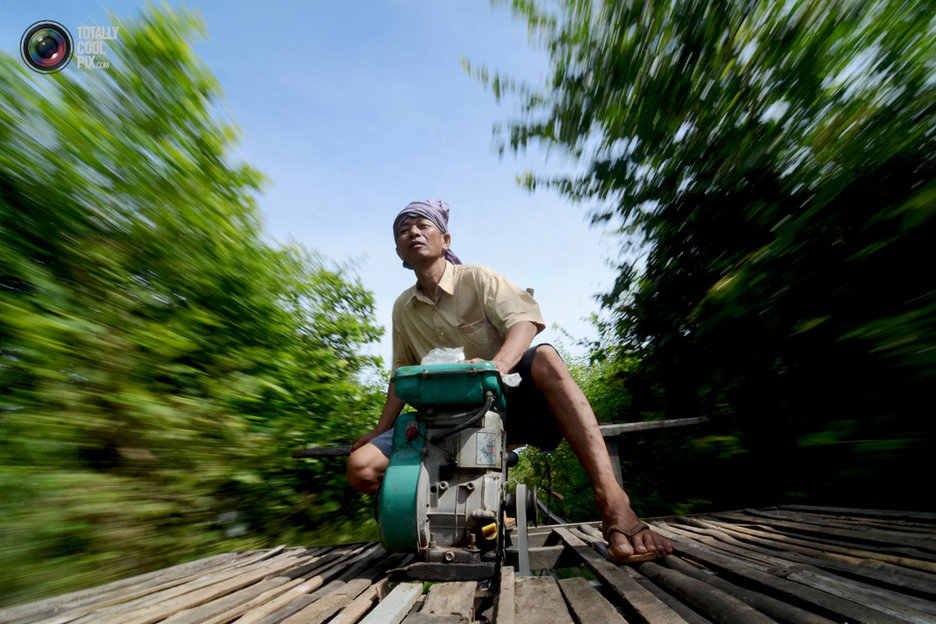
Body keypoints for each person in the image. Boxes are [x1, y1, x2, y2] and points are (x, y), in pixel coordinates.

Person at [347, 199, 673, 564]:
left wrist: (498, 364)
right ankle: (445, 522)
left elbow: (526, 322)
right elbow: (400, 374)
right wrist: (379, 430)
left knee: (546, 357)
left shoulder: (479, 279)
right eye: (404, 230)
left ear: (446, 238)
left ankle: (615, 507)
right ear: (398, 251)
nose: (413, 232)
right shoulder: (402, 307)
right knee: (361, 467)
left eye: (423, 225)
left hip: (501, 406)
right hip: (436, 419)